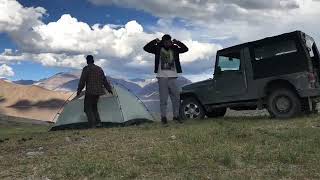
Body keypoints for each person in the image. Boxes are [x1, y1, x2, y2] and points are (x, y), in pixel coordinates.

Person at [143, 34, 189, 124]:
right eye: (166, 41)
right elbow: (146, 48)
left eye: (169, 41)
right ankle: (163, 118)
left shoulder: (175, 48)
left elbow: (185, 49)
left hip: (173, 76)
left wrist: (178, 42)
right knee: (163, 99)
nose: (168, 43)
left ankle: (176, 116)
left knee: (176, 97)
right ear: (163, 41)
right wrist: (155, 41)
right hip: (162, 77)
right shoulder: (157, 48)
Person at [77, 55, 113, 128]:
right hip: (98, 92)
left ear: (87, 60)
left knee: (87, 109)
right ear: (93, 60)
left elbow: (82, 81)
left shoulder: (86, 69)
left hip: (90, 92)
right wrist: (109, 89)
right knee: (94, 108)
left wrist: (79, 90)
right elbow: (104, 80)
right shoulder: (99, 69)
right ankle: (98, 123)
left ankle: (92, 125)